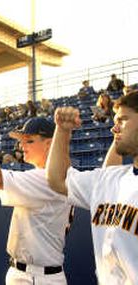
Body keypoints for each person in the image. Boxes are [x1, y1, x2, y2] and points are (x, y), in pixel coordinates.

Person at [0, 114, 72, 285]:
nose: (21, 145)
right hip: (30, 273)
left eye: (29, 140)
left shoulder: (46, 178)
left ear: (49, 143)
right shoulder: (53, 176)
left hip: (38, 277)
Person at [46, 90, 138, 284]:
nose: (114, 128)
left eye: (122, 120)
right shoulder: (111, 178)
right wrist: (62, 131)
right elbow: (57, 179)